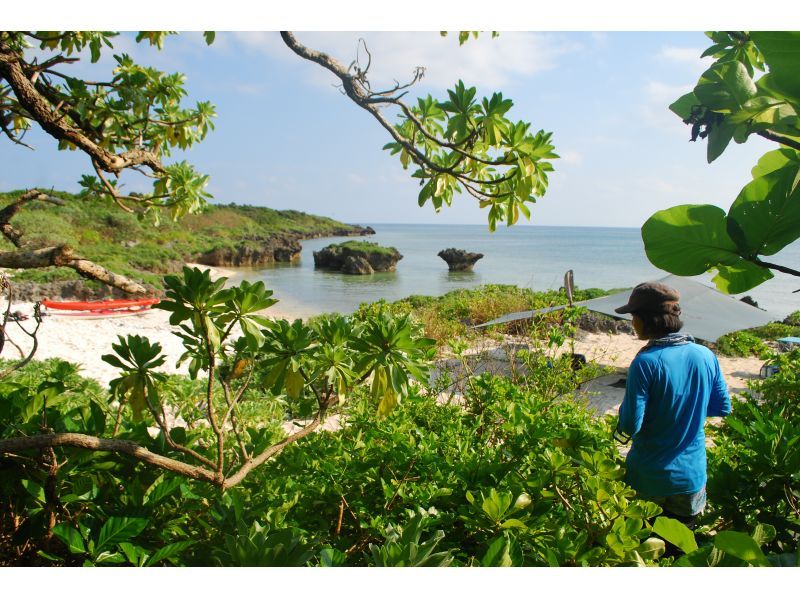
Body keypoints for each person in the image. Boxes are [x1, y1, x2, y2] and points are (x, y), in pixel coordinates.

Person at [614, 281, 731, 525]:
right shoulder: (706, 355)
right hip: (691, 475)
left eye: (633, 316)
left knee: (642, 547)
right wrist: (685, 414)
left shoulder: (645, 362)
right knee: (680, 549)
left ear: (646, 319)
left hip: (648, 477)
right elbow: (722, 407)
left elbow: (630, 425)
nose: (632, 322)